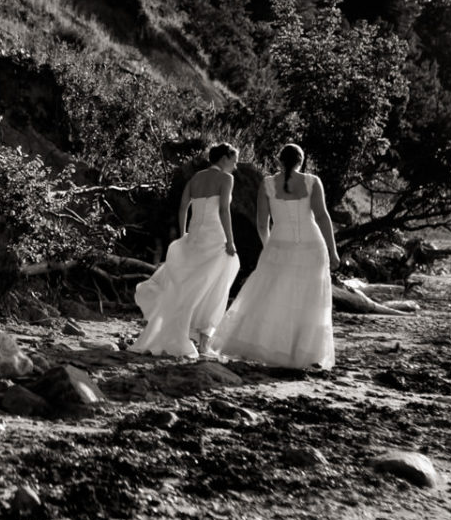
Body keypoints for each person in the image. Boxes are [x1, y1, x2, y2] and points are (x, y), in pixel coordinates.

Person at [214, 142, 338, 369]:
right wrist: (333, 250)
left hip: (279, 245)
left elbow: (262, 223)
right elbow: (322, 217)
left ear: (279, 160)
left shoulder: (268, 184)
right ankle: (303, 353)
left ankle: (269, 347)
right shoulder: (312, 182)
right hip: (312, 246)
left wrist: (269, 247)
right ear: (301, 161)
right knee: (308, 300)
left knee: (274, 296)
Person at [131, 143, 243, 358]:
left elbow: (183, 207)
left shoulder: (195, 178)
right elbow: (223, 210)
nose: (236, 166)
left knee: (191, 285)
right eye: (234, 160)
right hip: (215, 238)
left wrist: (183, 236)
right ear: (224, 158)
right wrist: (230, 241)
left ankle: (191, 334)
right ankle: (203, 342)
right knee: (216, 288)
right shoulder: (226, 179)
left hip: (194, 238)